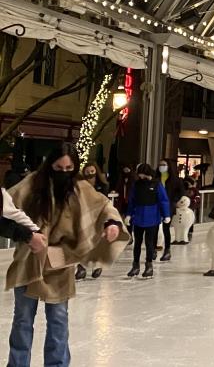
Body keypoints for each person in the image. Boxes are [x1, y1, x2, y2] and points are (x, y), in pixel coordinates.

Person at [6, 143, 128, 367]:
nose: (63, 172)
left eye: (68, 168)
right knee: (23, 319)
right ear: (49, 164)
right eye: (58, 167)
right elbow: (5, 210)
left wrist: (112, 223)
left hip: (60, 263)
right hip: (28, 260)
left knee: (58, 320)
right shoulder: (31, 184)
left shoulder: (79, 187)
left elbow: (103, 206)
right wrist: (26, 235)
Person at [124, 163, 172, 279]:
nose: (141, 177)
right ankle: (135, 265)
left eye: (142, 175)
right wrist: (129, 215)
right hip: (139, 218)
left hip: (152, 218)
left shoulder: (156, 185)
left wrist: (166, 215)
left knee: (149, 243)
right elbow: (132, 200)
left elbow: (163, 200)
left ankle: (149, 265)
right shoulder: (137, 185)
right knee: (137, 243)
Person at [76, 163, 111, 280]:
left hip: (97, 217)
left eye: (92, 171)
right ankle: (81, 266)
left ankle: (97, 265)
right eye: (88, 171)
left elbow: (104, 202)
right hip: (83, 216)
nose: (90, 174)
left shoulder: (102, 186)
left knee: (96, 241)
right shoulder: (80, 185)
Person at [157, 159, 184, 262]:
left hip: (168, 206)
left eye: (163, 165)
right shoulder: (156, 179)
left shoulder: (175, 180)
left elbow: (181, 191)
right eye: (160, 165)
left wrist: (174, 200)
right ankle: (154, 248)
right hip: (156, 206)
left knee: (166, 228)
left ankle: (167, 250)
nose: (161, 167)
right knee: (154, 228)